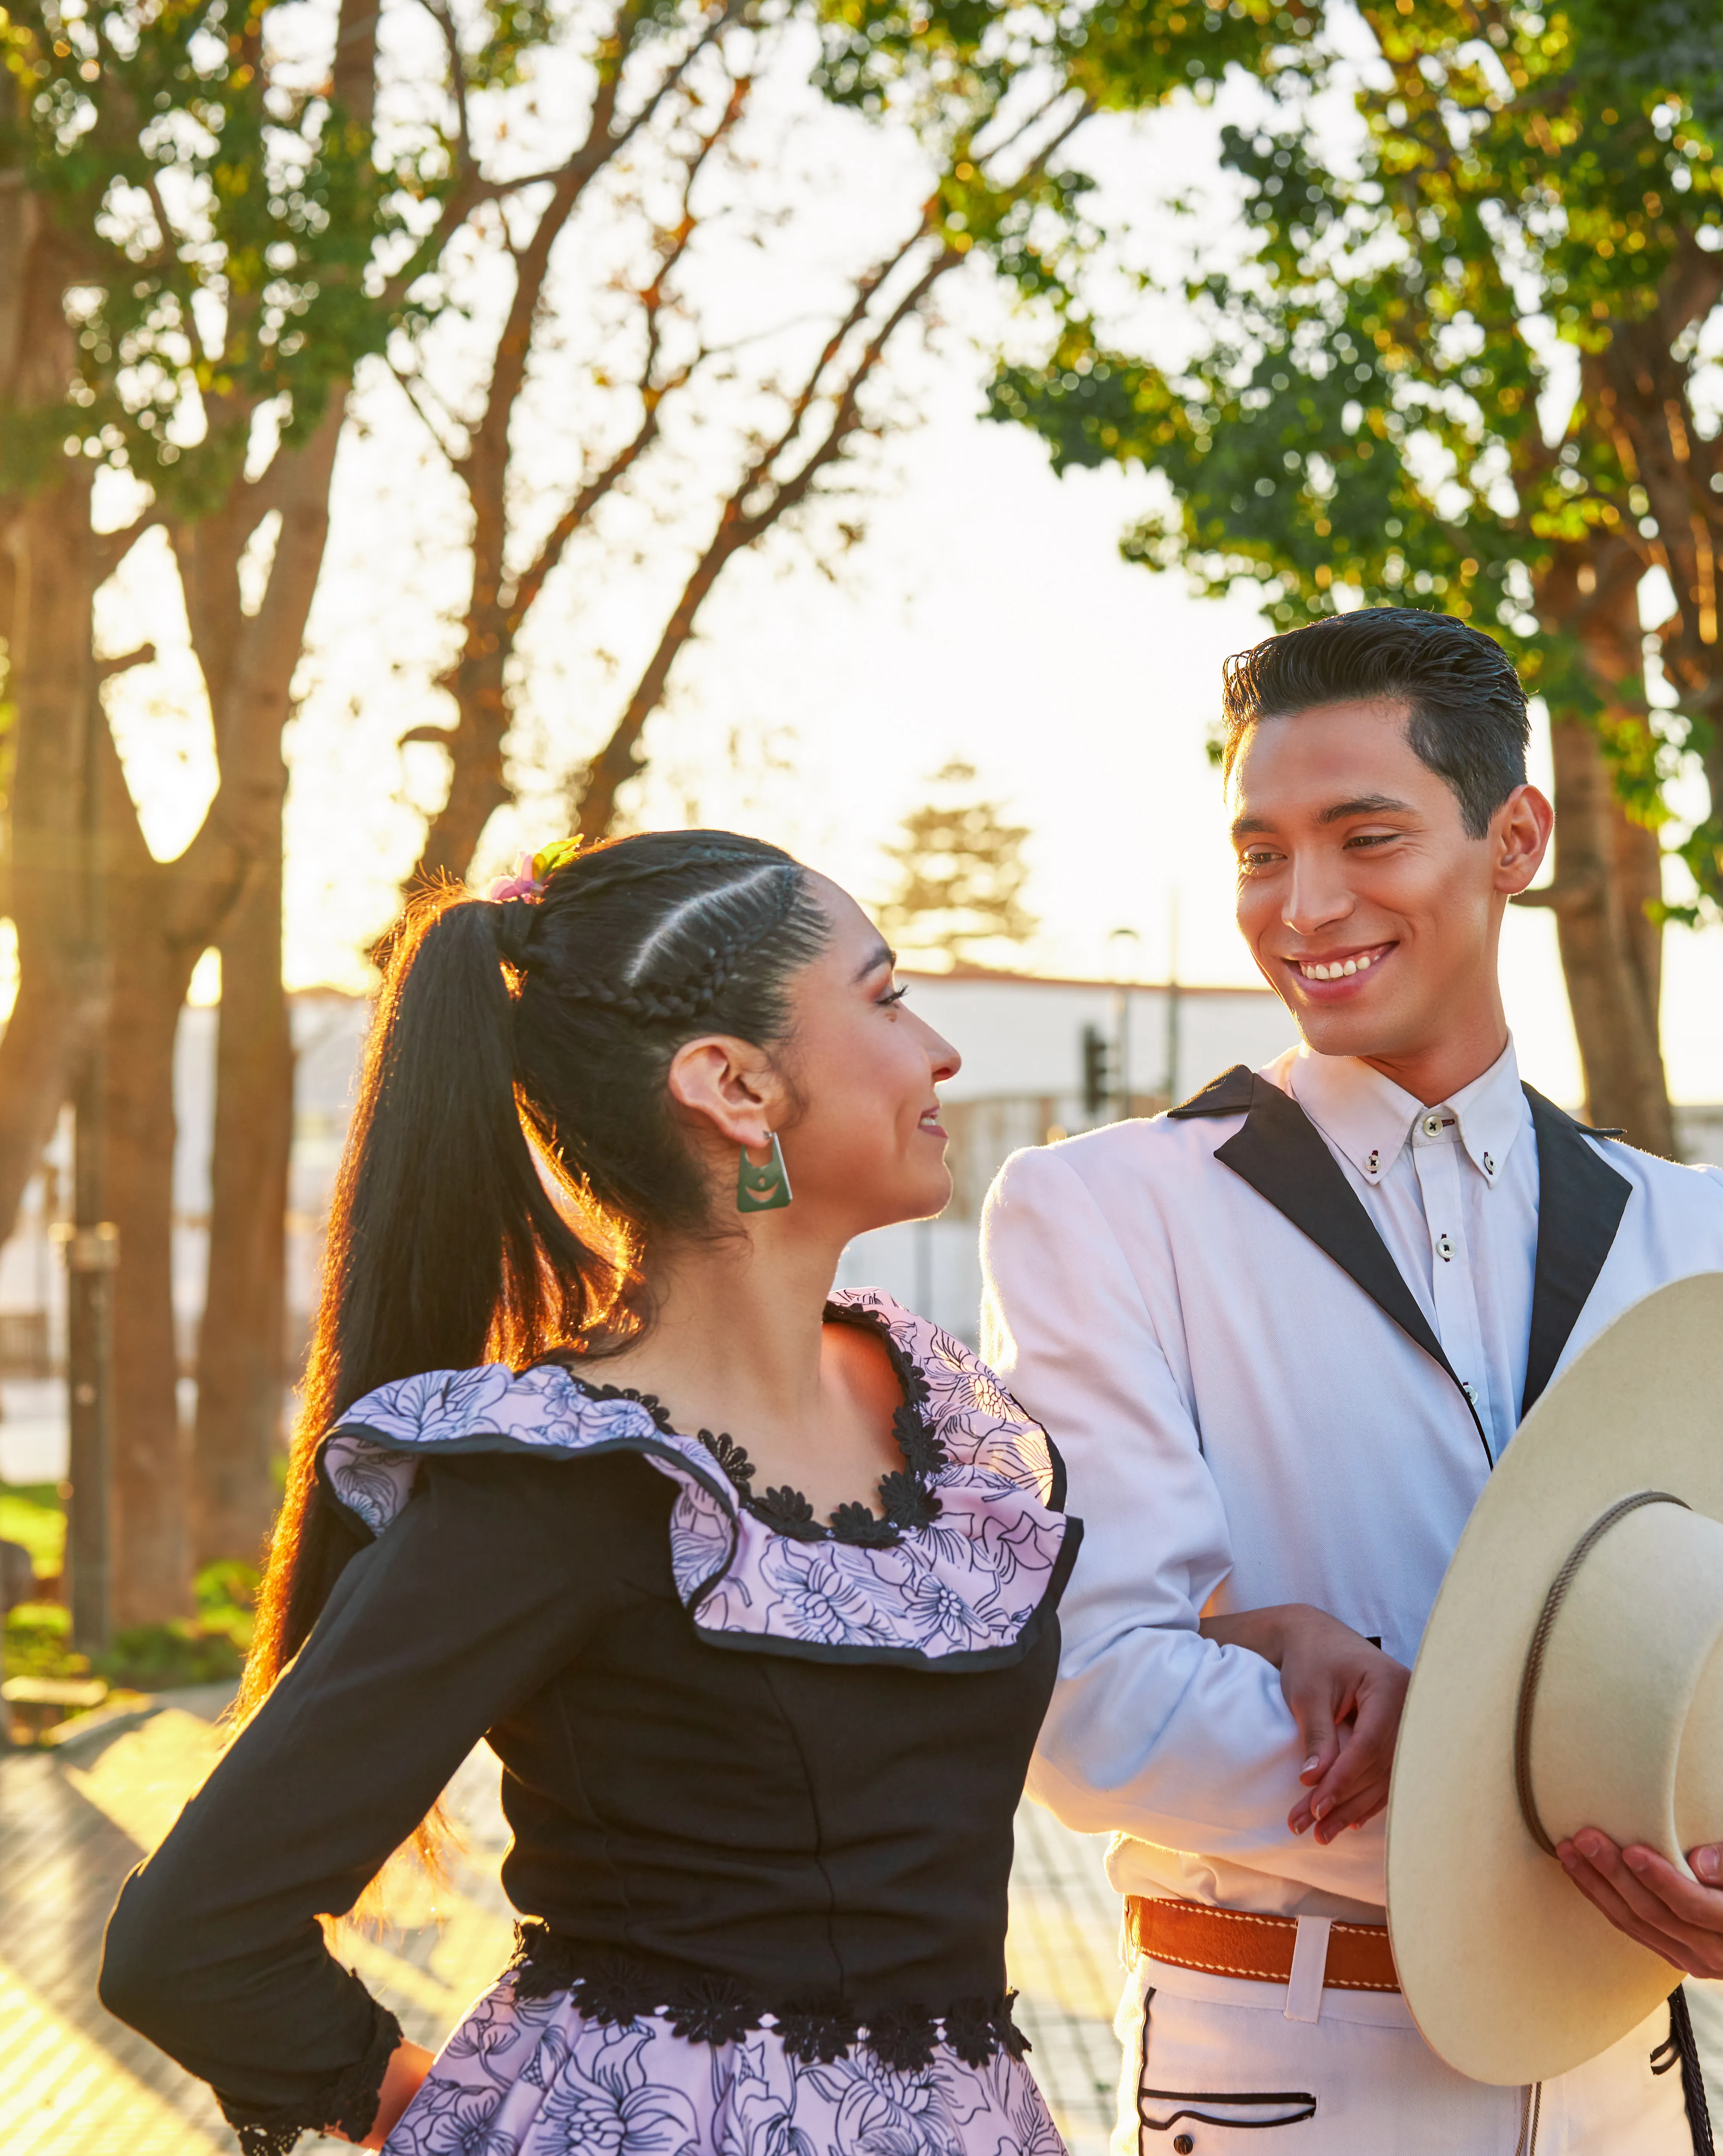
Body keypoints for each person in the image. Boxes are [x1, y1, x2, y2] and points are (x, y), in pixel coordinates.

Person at [981, 610, 1723, 2153]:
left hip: (1627, 2085)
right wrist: (1548, 1805)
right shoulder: (1103, 1209)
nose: (1303, 905)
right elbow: (1093, 1698)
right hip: (1290, 2085)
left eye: (1366, 835)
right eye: (1258, 852)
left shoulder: (1683, 1225)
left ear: (1516, 837)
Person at [99, 829, 1080, 2156]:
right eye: (887, 995)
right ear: (733, 1084)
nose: (939, 1050)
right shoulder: (562, 1478)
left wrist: (1280, 1643)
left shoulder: (942, 1422)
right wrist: (447, 2117)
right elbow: (194, 1936)